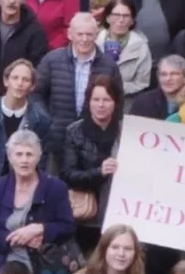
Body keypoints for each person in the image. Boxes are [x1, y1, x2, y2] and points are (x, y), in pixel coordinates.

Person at [0, 131, 76, 274]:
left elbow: (67, 226)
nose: (24, 160)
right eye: (19, 154)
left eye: (29, 154)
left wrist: (40, 229)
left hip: (43, 270)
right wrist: (13, 238)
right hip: (2, 267)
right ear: (10, 157)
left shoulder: (55, 188)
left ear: (38, 157)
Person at [33, 12, 120, 165]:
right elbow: (36, 95)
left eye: (89, 34)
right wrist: (48, 121)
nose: (84, 39)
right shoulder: (51, 61)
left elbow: (117, 103)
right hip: (56, 140)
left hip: (94, 145)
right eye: (80, 34)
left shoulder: (109, 66)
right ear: (70, 34)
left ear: (96, 35)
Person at [60, 75, 123, 238]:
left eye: (107, 100)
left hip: (120, 211)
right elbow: (68, 174)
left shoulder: (127, 131)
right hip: (87, 212)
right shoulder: (74, 131)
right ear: (88, 101)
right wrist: (99, 171)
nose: (101, 105)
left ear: (115, 103)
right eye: (96, 99)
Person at [0, 59, 51, 177]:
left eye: (25, 80)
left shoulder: (40, 119)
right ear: (6, 81)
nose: (20, 83)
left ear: (32, 86)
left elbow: (40, 161)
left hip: (20, 182)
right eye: (15, 78)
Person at [96, 0, 152, 102]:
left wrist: (116, 87)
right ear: (108, 18)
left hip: (126, 103)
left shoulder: (141, 46)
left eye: (126, 16)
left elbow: (142, 82)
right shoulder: (94, 42)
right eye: (116, 15)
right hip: (96, 102)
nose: (121, 20)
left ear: (132, 20)